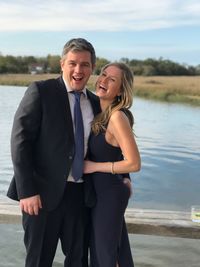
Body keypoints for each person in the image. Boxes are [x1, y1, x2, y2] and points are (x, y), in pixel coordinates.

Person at [7, 38, 101, 267]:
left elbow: (109, 149)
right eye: (72, 63)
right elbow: (20, 141)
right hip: (40, 196)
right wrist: (27, 191)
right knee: (39, 261)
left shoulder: (97, 104)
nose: (78, 70)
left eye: (85, 64)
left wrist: (124, 178)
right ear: (62, 64)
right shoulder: (41, 91)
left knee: (78, 260)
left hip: (80, 197)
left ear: (92, 68)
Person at [83, 62, 141, 267]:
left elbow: (134, 163)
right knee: (110, 251)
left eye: (112, 79)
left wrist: (94, 167)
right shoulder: (99, 112)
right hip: (101, 194)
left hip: (109, 195)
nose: (103, 80)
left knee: (106, 255)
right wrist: (125, 178)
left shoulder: (117, 117)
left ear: (121, 90)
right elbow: (114, 153)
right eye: (103, 74)